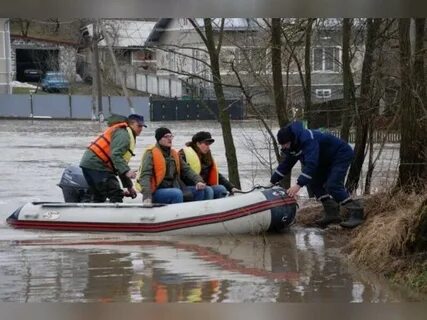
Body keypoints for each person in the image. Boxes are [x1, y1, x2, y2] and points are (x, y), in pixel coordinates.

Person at [270, 120, 364, 228]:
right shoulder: (293, 146)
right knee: (313, 183)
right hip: (324, 159)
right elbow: (285, 165)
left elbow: (311, 164)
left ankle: (357, 213)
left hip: (340, 154)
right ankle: (332, 213)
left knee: (333, 185)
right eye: (282, 145)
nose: (284, 147)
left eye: (285, 144)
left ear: (291, 139)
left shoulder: (308, 139)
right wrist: (271, 182)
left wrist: (298, 185)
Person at [79, 114, 146, 203]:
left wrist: (129, 187)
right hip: (98, 165)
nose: (141, 128)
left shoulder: (126, 133)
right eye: (139, 126)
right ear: (131, 123)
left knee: (99, 195)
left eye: (142, 126)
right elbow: (115, 155)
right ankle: (117, 215)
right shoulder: (124, 135)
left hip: (90, 164)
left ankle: (91, 213)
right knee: (115, 193)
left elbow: (120, 165)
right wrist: (127, 171)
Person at [136, 127, 209, 204]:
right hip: (156, 191)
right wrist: (147, 196)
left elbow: (187, 170)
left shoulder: (174, 154)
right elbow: (145, 176)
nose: (169, 139)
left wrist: (198, 181)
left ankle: (195, 213)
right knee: (176, 193)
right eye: (166, 137)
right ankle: (178, 215)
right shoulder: (150, 154)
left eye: (171, 136)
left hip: (174, 188)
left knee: (201, 191)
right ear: (159, 139)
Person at [179, 131, 239, 199]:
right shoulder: (183, 154)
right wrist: (198, 181)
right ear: (198, 143)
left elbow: (217, 175)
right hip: (187, 187)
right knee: (208, 190)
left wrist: (231, 187)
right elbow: (186, 171)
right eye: (206, 144)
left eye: (209, 145)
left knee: (221, 189)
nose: (208, 147)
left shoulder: (207, 155)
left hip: (203, 185)